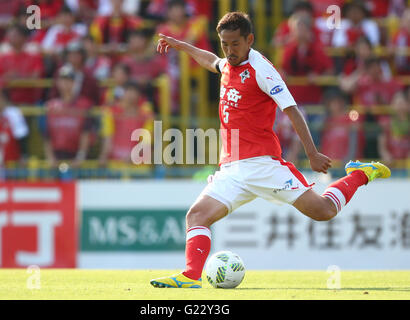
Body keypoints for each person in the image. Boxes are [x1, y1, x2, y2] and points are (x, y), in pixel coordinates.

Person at [150, 12, 391, 289]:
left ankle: (360, 174)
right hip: (231, 169)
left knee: (323, 211)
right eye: (224, 44)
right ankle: (191, 276)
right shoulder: (228, 64)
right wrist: (181, 45)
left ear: (249, 39)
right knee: (196, 215)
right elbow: (211, 61)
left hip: (263, 165)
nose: (229, 51)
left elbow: (292, 110)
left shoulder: (261, 69)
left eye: (235, 44)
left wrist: (311, 153)